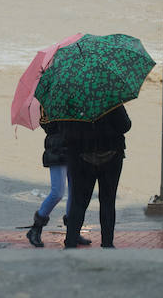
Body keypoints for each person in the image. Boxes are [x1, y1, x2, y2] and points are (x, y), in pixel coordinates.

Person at [63, 104, 132, 248]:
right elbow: (125, 125)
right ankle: (107, 243)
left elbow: (67, 131)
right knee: (108, 201)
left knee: (78, 201)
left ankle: (70, 242)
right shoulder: (111, 100)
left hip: (82, 157)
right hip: (111, 156)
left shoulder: (75, 102)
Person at [25, 114, 91, 247]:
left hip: (75, 150)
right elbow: (47, 126)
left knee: (75, 192)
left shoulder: (75, 104)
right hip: (57, 150)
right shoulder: (52, 105)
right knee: (57, 192)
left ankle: (73, 232)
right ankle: (36, 228)